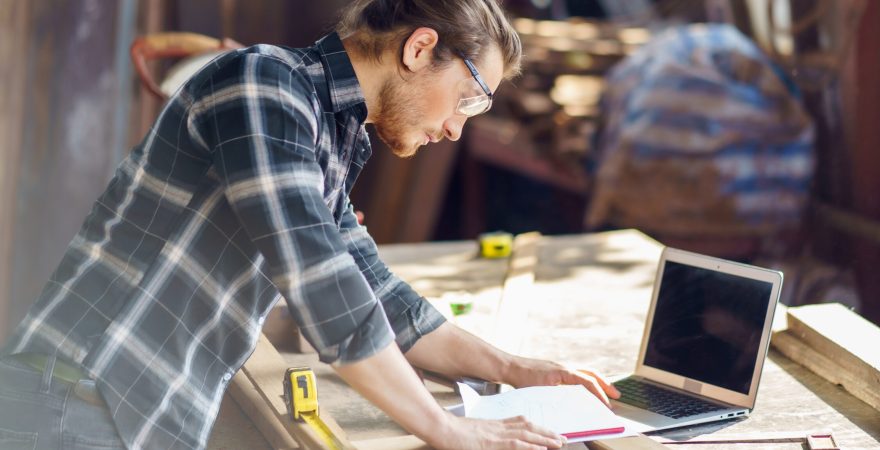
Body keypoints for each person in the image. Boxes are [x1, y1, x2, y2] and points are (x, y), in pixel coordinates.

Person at [0, 0, 621, 449]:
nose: (457, 127)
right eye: (468, 98)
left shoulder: (328, 132)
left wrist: (516, 371)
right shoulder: (264, 85)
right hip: (75, 402)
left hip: (128, 412)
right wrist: (447, 429)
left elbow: (378, 295)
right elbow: (324, 289)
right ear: (420, 48)